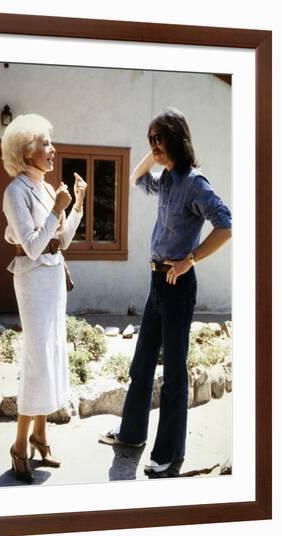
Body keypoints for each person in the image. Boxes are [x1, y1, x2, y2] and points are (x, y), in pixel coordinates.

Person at [99, 108, 232, 477]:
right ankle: (130, 434)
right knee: (141, 365)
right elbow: (134, 177)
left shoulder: (194, 182)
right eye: (151, 139)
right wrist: (154, 152)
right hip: (156, 283)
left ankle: (170, 454)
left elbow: (226, 224)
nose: (154, 145)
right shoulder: (168, 179)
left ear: (177, 138)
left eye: (160, 138)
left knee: (174, 373)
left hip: (177, 285)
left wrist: (191, 259)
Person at [1, 113, 87, 482]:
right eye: (45, 144)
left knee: (51, 354)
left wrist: (77, 204)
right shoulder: (15, 192)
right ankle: (19, 444)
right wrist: (56, 210)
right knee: (37, 359)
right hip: (33, 279)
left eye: (50, 143)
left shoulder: (49, 188)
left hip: (53, 279)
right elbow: (34, 248)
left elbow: (62, 241)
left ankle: (40, 435)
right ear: (25, 151)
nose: (53, 150)